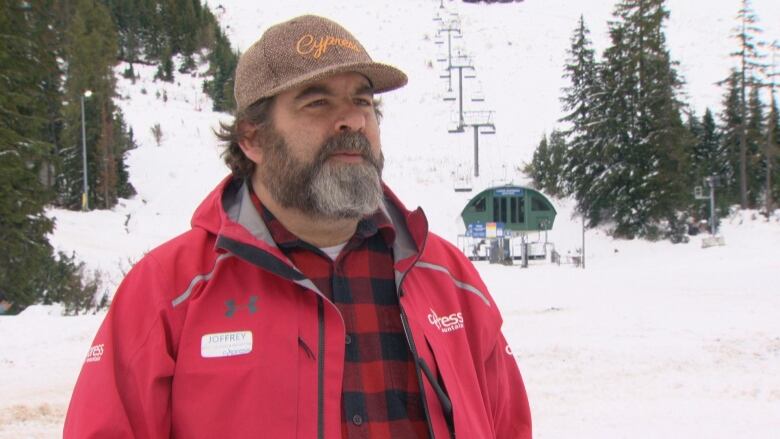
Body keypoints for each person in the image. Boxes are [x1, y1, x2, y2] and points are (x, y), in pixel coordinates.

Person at [64, 15, 531, 439]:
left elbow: (508, 425)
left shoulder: (445, 275)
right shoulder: (169, 290)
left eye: (362, 101)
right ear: (252, 138)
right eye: (317, 103)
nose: (351, 120)